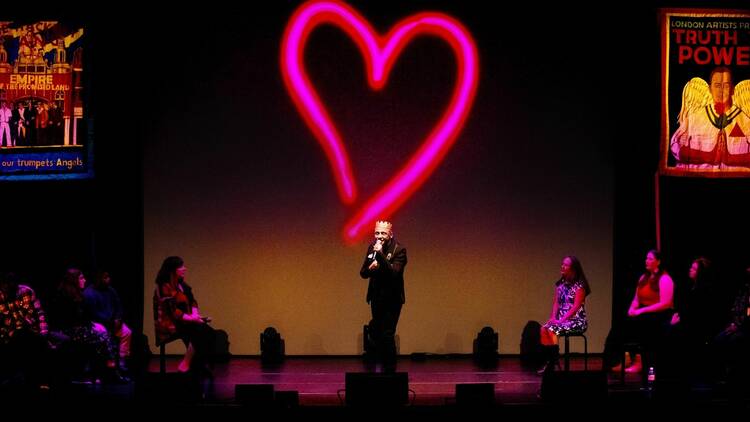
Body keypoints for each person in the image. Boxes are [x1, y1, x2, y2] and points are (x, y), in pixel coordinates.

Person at [47, 268, 122, 383]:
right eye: (81, 278)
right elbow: (69, 320)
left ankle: (106, 371)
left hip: (78, 328)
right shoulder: (66, 296)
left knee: (103, 334)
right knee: (102, 337)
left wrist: (91, 325)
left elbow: (84, 318)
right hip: (68, 330)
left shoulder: (78, 294)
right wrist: (89, 326)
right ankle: (109, 371)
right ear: (74, 280)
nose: (85, 280)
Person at [670, 66, 750, 171]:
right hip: (701, 181)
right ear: (710, 88)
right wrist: (708, 156)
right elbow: (676, 147)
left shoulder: (744, 120)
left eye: (726, 86)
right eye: (717, 85)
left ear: (732, 89)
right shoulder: (696, 118)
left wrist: (730, 158)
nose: (721, 90)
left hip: (737, 182)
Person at [615, 250, 675, 374]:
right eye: (646, 258)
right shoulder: (643, 278)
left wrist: (641, 311)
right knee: (620, 325)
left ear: (658, 262)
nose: (646, 261)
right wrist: (632, 308)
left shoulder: (665, 279)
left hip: (660, 314)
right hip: (645, 313)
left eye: (650, 259)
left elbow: (666, 303)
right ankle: (623, 358)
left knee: (644, 324)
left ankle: (639, 361)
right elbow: (637, 299)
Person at [153, 256, 215, 374]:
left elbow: (192, 301)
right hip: (170, 323)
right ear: (173, 270)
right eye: (181, 267)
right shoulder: (164, 286)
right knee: (200, 330)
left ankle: (197, 363)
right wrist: (193, 319)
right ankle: (187, 362)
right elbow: (171, 311)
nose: (184, 269)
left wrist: (196, 315)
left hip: (184, 321)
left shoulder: (182, 284)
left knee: (209, 332)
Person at [359, 220, 407, 369]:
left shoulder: (399, 250)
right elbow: (363, 273)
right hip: (376, 297)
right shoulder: (372, 248)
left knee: (387, 334)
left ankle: (390, 371)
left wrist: (379, 255)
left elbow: (394, 273)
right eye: (377, 233)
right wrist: (371, 268)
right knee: (377, 332)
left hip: (392, 299)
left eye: (383, 233)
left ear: (390, 234)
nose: (379, 236)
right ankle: (376, 367)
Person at [537, 256, 591, 373]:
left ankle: (553, 362)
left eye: (566, 265)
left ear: (573, 269)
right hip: (562, 320)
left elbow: (576, 307)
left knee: (552, 330)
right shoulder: (560, 285)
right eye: (562, 264)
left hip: (576, 321)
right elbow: (556, 303)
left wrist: (561, 321)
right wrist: (553, 318)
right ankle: (550, 361)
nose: (562, 266)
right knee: (543, 329)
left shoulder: (580, 286)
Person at [0, 272, 49, 386]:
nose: (9, 288)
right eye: (6, 285)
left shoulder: (26, 291)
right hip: (9, 339)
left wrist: (43, 333)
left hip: (31, 334)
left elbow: (40, 313)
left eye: (12, 285)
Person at [83, 271, 132, 372]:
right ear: (98, 279)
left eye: (108, 277)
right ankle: (108, 361)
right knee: (102, 333)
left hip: (112, 322)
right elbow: (93, 313)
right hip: (97, 323)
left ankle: (121, 359)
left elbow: (118, 306)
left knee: (127, 332)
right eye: (105, 278)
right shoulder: (89, 293)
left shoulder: (111, 291)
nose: (108, 279)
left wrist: (118, 318)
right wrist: (109, 322)